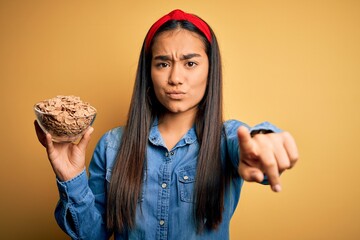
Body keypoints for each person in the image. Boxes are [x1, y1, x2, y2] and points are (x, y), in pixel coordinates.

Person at [34, 9, 298, 240]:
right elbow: (92, 236)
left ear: (210, 68)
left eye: (190, 63)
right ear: (149, 72)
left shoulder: (226, 139)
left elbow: (250, 143)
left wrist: (264, 141)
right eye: (163, 63)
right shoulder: (112, 146)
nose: (175, 78)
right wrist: (72, 178)